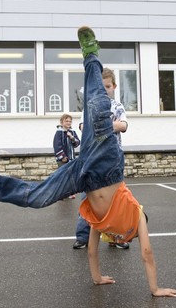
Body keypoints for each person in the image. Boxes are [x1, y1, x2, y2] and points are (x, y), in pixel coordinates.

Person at [0, 26, 176, 297]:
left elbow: (92, 250)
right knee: (99, 108)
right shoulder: (136, 217)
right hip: (108, 169)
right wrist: (154, 288)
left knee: (36, 197)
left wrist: (97, 278)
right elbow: (147, 252)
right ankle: (91, 55)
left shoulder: (104, 224)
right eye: (124, 238)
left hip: (82, 175)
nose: (121, 239)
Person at [73, 67, 129, 250]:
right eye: (100, 87)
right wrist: (103, 126)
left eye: (107, 86)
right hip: (92, 157)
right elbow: (83, 127)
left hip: (112, 159)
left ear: (114, 86)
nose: (104, 90)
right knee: (87, 196)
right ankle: (83, 236)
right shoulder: (90, 106)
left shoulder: (117, 106)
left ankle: (115, 236)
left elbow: (123, 125)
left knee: (115, 199)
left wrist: (104, 126)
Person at [53, 113, 80, 199]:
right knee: (62, 176)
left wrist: (72, 137)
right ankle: (60, 193)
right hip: (63, 159)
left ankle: (69, 193)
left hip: (71, 158)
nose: (68, 123)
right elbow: (57, 145)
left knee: (70, 176)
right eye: (66, 121)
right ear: (61, 122)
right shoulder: (59, 133)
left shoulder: (72, 132)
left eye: (70, 121)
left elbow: (77, 144)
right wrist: (62, 157)